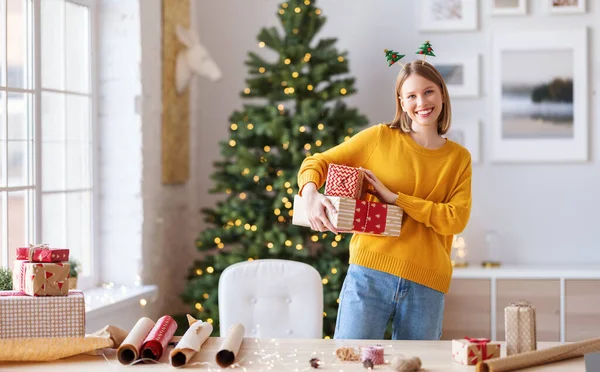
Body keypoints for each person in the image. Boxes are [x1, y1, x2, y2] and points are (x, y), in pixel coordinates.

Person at [296, 59, 472, 340]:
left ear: (441, 94)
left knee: (417, 367)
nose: (421, 102)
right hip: (369, 274)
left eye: (428, 92)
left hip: (427, 282)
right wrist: (309, 193)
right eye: (411, 96)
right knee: (350, 363)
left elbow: (456, 219)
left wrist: (397, 199)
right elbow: (317, 162)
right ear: (402, 103)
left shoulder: (458, 158)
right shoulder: (380, 137)